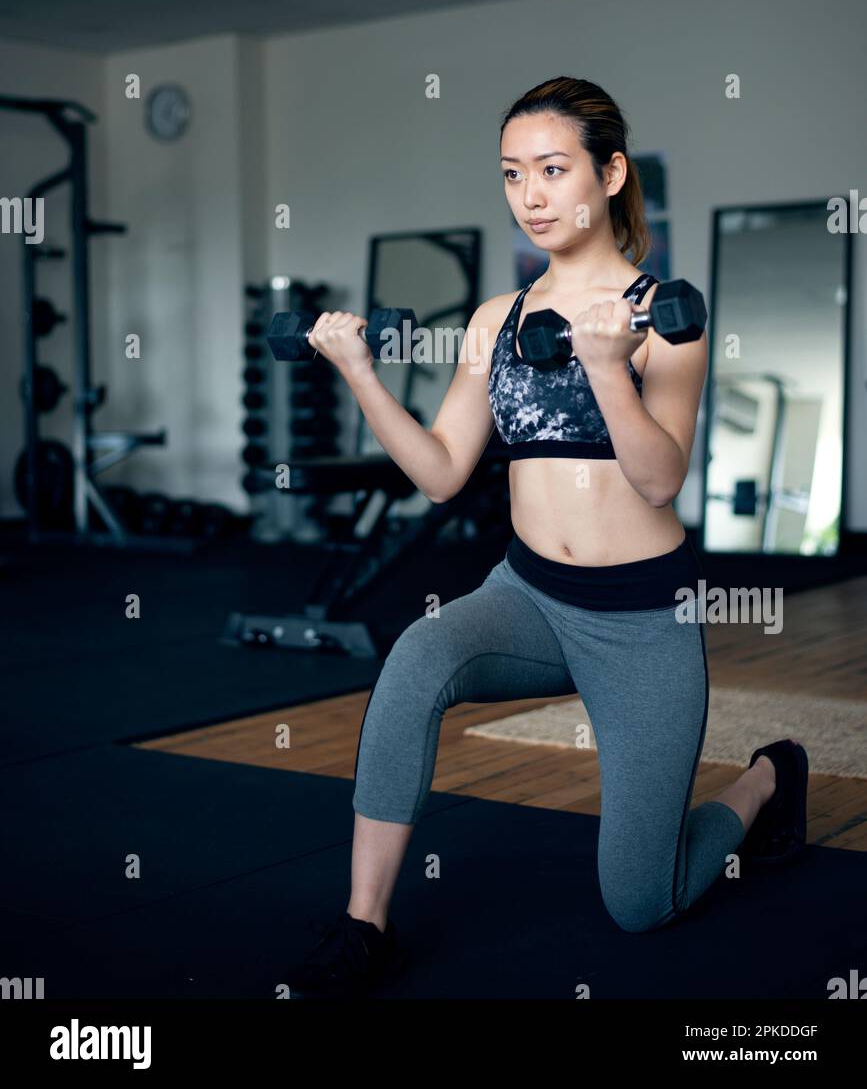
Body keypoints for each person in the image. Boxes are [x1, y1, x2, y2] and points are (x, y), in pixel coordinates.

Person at [287, 76, 809, 999]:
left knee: (640, 903)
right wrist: (361, 376)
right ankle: (364, 924)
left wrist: (610, 366)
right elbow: (445, 470)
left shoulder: (662, 316)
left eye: (553, 169)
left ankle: (767, 780)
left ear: (609, 174)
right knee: (415, 656)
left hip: (641, 620)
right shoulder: (498, 319)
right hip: (523, 599)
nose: (530, 194)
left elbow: (658, 479)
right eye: (511, 174)